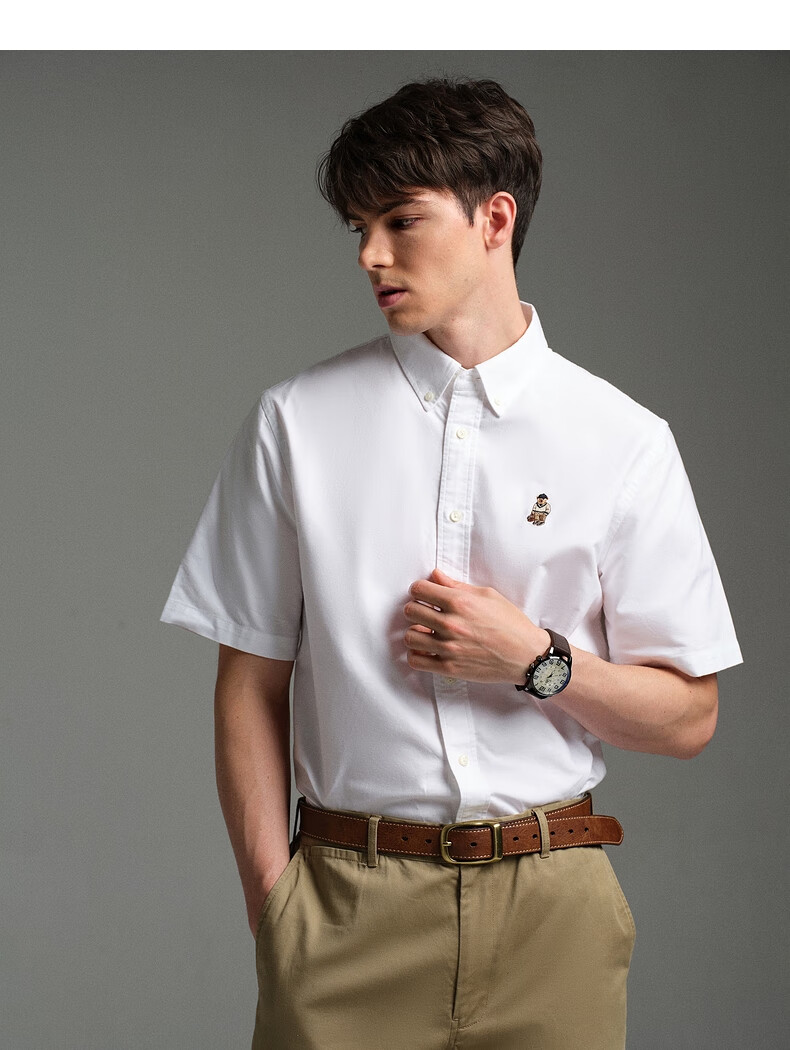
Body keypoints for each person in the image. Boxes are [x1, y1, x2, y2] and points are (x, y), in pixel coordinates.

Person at [161, 78, 742, 1050]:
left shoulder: (622, 439)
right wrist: (275, 908)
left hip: (553, 913)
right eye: (359, 227)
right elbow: (249, 684)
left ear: (493, 219)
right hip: (345, 908)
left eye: (399, 220)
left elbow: (689, 717)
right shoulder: (295, 424)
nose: (369, 255)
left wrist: (537, 661)